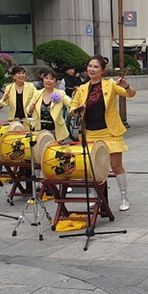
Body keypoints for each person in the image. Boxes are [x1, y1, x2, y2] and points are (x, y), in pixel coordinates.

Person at [71, 55, 136, 211]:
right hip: (89, 133)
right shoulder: (82, 88)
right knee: (92, 168)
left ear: (102, 71)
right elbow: (72, 108)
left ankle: (124, 197)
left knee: (116, 166)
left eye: (96, 67)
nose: (92, 69)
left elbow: (130, 94)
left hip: (109, 132)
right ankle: (95, 196)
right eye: (90, 66)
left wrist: (127, 86)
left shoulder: (110, 85)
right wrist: (77, 110)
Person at [27, 69, 72, 140]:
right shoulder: (37, 93)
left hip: (55, 131)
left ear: (56, 82)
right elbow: (28, 110)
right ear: (43, 80)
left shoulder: (60, 94)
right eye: (46, 78)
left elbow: (71, 104)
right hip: (39, 131)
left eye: (51, 79)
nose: (48, 81)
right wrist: (31, 109)